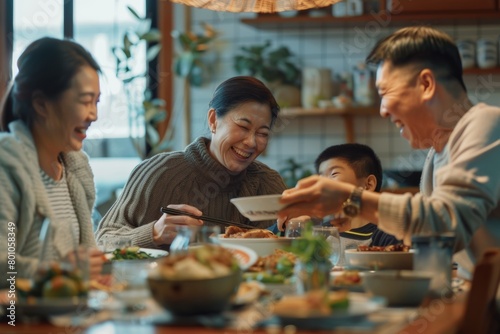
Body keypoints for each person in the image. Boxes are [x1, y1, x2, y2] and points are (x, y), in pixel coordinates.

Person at [278, 26, 500, 278]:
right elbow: (430, 239)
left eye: (385, 93)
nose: (383, 110)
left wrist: (350, 200)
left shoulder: (487, 123)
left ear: (426, 84)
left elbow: (446, 227)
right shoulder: (435, 155)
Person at [96, 76, 287, 249]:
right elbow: (102, 241)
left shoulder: (268, 184)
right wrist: (153, 233)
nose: (251, 142)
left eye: (262, 134)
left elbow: (282, 253)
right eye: (243, 127)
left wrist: (298, 228)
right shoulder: (159, 173)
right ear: (213, 120)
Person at [0, 37, 104, 287]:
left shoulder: (75, 169)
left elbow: (84, 261)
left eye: (96, 102)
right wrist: (61, 271)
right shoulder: (7, 165)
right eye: (85, 101)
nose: (94, 115)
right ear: (41, 104)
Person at [314, 143, 400, 249]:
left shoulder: (388, 234)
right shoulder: (323, 232)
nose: (323, 183)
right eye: (321, 177)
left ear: (368, 184)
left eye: (334, 174)